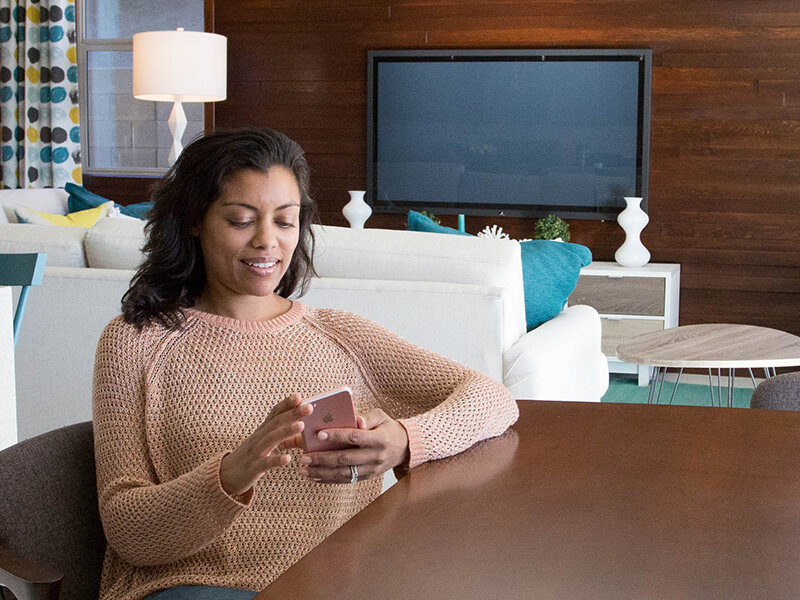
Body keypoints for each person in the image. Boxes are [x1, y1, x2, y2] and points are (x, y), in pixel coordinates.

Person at [92, 127, 519, 600]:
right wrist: (233, 472)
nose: (266, 241)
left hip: (332, 584)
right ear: (195, 219)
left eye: (285, 221)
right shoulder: (136, 342)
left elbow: (493, 399)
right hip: (195, 586)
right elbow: (127, 531)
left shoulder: (339, 335)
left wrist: (403, 439)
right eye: (240, 220)